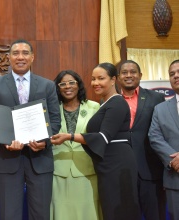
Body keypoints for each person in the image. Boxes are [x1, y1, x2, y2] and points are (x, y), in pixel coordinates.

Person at [51, 62, 140, 220]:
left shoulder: (115, 103)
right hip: (104, 165)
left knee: (119, 210)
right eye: (93, 79)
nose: (96, 83)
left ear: (113, 80)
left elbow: (103, 137)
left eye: (101, 78)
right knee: (111, 210)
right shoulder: (106, 104)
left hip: (116, 165)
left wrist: (69, 136)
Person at [0, 39, 61, 220]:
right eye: (16, 53)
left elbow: (55, 121)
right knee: (9, 214)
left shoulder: (47, 85)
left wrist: (44, 142)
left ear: (32, 57)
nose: (20, 57)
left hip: (40, 160)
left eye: (25, 53)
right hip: (8, 158)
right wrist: (6, 143)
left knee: (41, 214)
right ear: (9, 57)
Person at [50, 70, 101, 220]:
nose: (67, 86)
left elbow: (98, 138)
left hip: (87, 171)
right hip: (59, 172)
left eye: (72, 82)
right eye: (63, 84)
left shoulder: (94, 107)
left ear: (79, 85)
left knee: (88, 213)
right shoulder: (52, 109)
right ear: (58, 88)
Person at [118, 60, 166, 220]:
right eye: (124, 72)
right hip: (122, 173)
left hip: (151, 171)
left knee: (155, 215)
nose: (129, 75)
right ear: (118, 77)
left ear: (140, 75)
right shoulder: (110, 101)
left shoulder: (156, 98)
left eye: (133, 71)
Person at [148, 59, 179, 220]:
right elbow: (154, 137)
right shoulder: (160, 109)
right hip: (175, 178)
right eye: (172, 74)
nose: (176, 76)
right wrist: (174, 160)